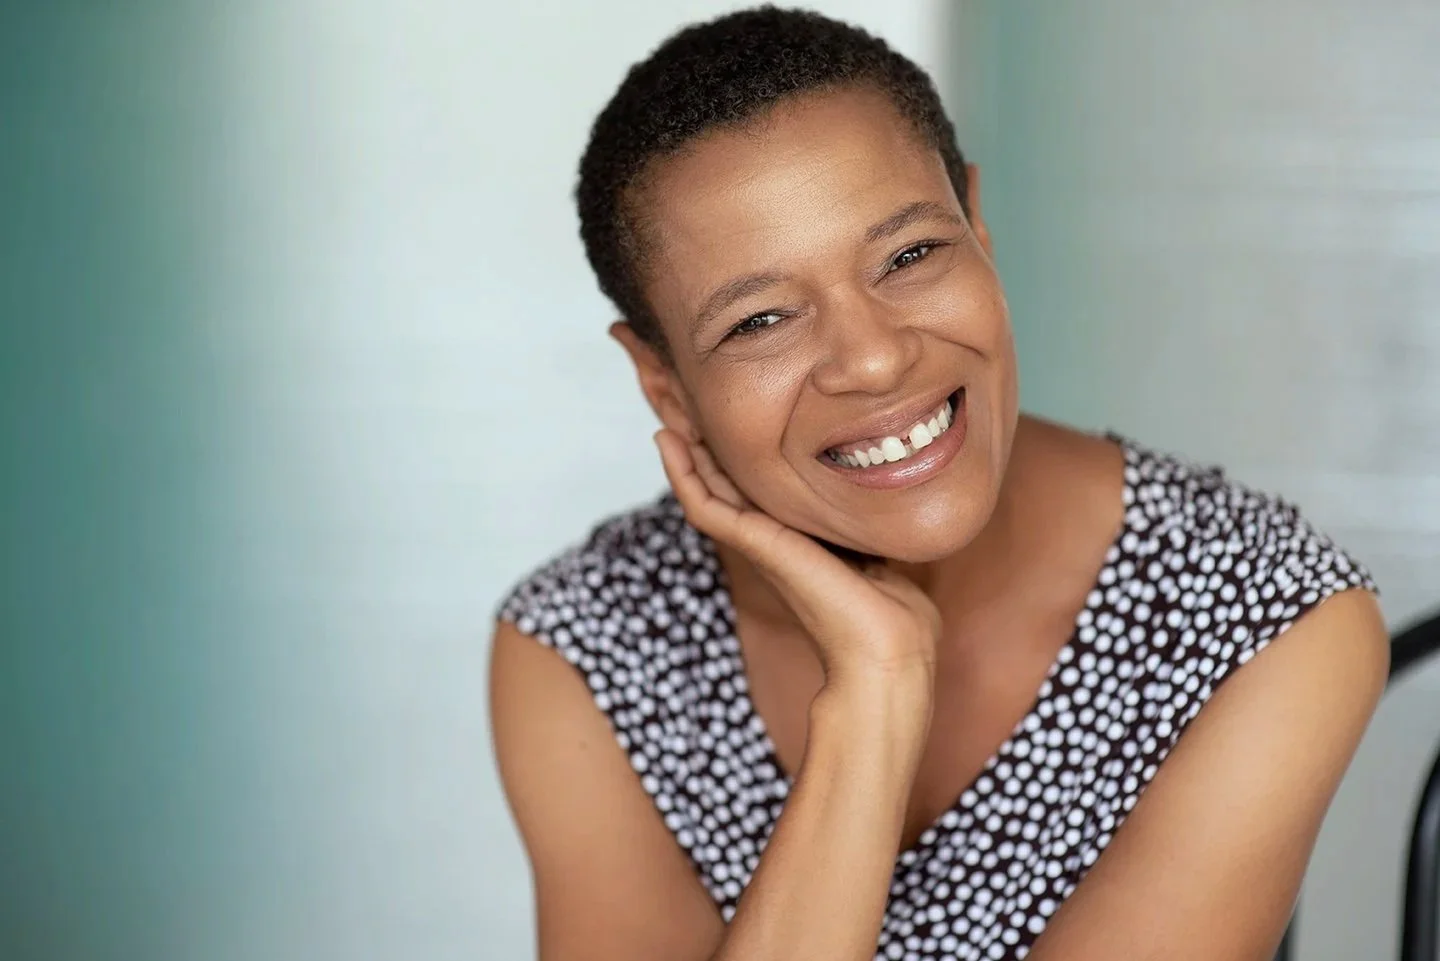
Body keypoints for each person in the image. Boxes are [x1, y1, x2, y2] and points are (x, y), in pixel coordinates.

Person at [488, 7, 1388, 960]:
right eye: (759, 321)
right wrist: (874, 698)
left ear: (978, 224)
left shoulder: (1260, 616)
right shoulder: (589, 640)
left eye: (911, 255)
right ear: (663, 381)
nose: (873, 360)